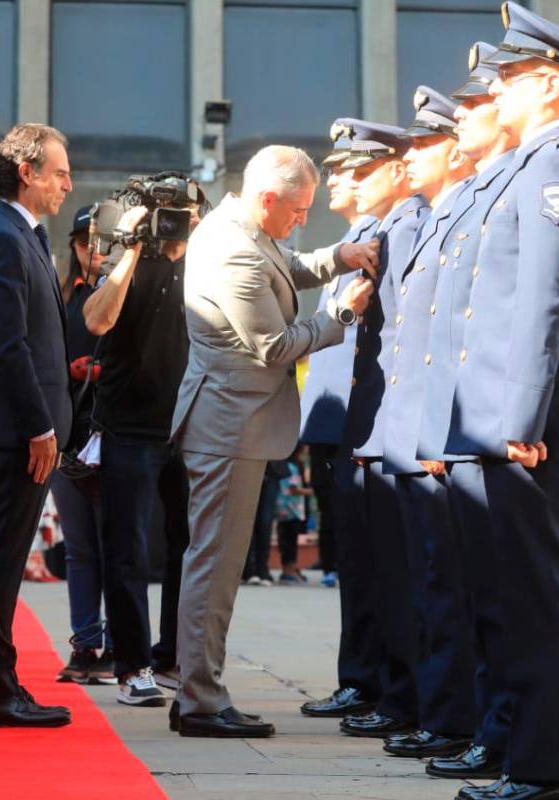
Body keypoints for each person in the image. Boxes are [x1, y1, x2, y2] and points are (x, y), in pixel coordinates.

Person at [427, 7, 559, 797]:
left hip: (535, 431)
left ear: (545, 83)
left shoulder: (557, 166)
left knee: (543, 605)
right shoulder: (527, 164)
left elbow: (543, 302)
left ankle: (549, 771)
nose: (494, 92)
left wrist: (520, 419)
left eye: (507, 78)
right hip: (505, 424)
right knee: (513, 600)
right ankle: (521, 752)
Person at [170, 144, 379, 738]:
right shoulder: (235, 248)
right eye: (298, 209)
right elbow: (275, 346)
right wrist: (340, 314)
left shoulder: (241, 228)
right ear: (268, 199)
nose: (302, 220)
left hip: (231, 422)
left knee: (214, 563)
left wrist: (338, 257)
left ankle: (195, 690)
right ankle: (201, 701)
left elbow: (285, 265)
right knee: (214, 567)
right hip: (228, 425)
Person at [418, 47, 522, 783]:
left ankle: (503, 730)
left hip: (497, 422)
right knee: (476, 593)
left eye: (475, 102)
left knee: (504, 598)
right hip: (464, 423)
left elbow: (530, 317)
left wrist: (514, 419)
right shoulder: (476, 192)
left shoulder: (523, 182)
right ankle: (487, 726)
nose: (461, 118)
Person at [367, 83, 479, 758]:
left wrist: (439, 431)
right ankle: (437, 713)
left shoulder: (457, 214)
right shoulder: (435, 216)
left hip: (438, 433)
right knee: (424, 583)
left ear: (455, 152)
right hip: (412, 428)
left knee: (447, 587)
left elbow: (461, 336)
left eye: (425, 144)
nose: (409, 158)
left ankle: (450, 717)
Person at [0, 123, 74, 729]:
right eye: (58, 173)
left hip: (29, 431)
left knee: (5, 562)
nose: (68, 184)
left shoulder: (25, 234)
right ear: (27, 173)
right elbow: (7, 348)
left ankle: (3, 684)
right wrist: (39, 427)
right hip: (15, 434)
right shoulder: (3, 238)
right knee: (2, 563)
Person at [83, 175, 205, 707]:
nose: (178, 221)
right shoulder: (127, 264)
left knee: (190, 546)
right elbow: (97, 319)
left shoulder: (207, 268)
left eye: (186, 212)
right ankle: (132, 667)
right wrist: (131, 248)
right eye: (169, 212)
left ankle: (174, 656)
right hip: (129, 425)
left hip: (191, 427)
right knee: (128, 548)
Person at [333, 119, 430, 743]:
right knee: (374, 565)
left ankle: (401, 695)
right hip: (370, 413)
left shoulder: (406, 226)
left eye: (364, 170)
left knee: (400, 571)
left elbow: (403, 339)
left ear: (398, 168)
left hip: (389, 416)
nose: (350, 181)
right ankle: (387, 689)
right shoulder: (377, 232)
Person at [298, 119, 383, 719]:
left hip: (364, 424)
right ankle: (359, 675)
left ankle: (370, 679)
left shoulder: (380, 240)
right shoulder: (353, 239)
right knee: (353, 560)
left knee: (370, 563)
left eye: (346, 169)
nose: (333, 179)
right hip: (337, 426)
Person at [50, 204, 116, 684]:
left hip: (115, 432)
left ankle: (118, 645)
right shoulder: (62, 297)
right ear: (74, 247)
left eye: (104, 242)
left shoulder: (123, 295)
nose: (95, 251)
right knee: (79, 547)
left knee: (116, 547)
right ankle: (84, 642)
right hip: (70, 433)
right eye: (86, 242)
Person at [275, 448, 311, 583]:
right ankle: (288, 571)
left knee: (285, 541)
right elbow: (293, 488)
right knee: (290, 543)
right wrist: (311, 491)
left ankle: (290, 569)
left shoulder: (283, 465)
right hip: (292, 510)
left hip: (282, 510)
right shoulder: (292, 467)